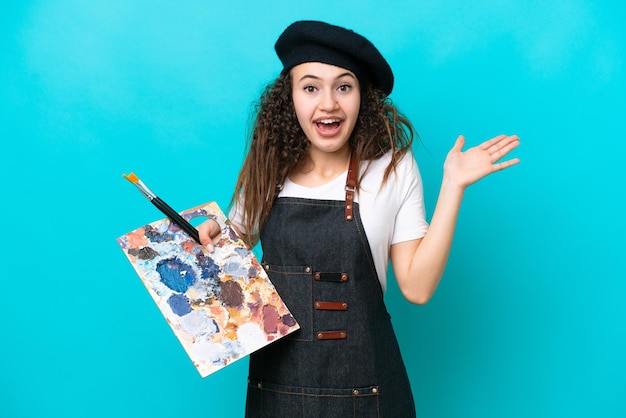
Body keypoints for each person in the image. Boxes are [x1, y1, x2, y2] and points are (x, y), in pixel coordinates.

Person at [198, 20, 520, 418]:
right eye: (311, 87)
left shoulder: (393, 168)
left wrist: (453, 186)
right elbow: (234, 245)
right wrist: (212, 234)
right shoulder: (268, 166)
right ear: (290, 98)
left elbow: (417, 288)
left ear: (361, 98)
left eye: (344, 86)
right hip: (276, 393)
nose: (328, 103)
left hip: (370, 393)